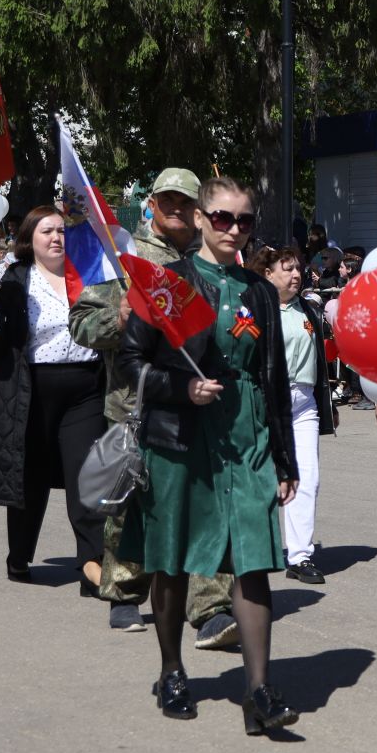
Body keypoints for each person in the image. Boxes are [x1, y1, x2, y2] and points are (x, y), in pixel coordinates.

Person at [118, 178, 302, 734]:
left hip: (246, 436)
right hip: (180, 437)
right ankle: (173, 670)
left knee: (253, 557)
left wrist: (286, 459)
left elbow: (274, 376)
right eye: (222, 218)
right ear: (199, 218)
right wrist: (181, 390)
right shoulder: (169, 282)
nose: (233, 230)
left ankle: (259, 691)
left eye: (244, 221)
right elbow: (131, 362)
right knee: (171, 556)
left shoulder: (259, 290)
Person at [68, 169, 237, 642]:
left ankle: (211, 608)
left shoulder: (213, 258)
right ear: (152, 204)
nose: (178, 210)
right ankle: (124, 592)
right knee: (137, 506)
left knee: (208, 505)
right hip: (136, 401)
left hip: (205, 403)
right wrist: (117, 317)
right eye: (169, 201)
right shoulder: (124, 256)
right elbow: (79, 322)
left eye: (187, 203)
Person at [0, 205, 108, 593]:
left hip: (86, 389)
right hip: (32, 391)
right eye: (46, 231)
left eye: (62, 231)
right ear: (31, 240)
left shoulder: (89, 276)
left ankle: (91, 564)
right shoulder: (18, 278)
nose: (56, 238)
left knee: (88, 478)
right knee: (29, 479)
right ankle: (19, 556)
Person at [253, 243, 336, 584]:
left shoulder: (309, 309)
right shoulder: (253, 308)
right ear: (267, 274)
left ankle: (299, 556)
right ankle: (254, 552)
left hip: (304, 405)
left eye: (299, 268)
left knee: (307, 479)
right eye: (287, 268)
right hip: (265, 402)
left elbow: (321, 360)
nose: (297, 274)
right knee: (259, 481)